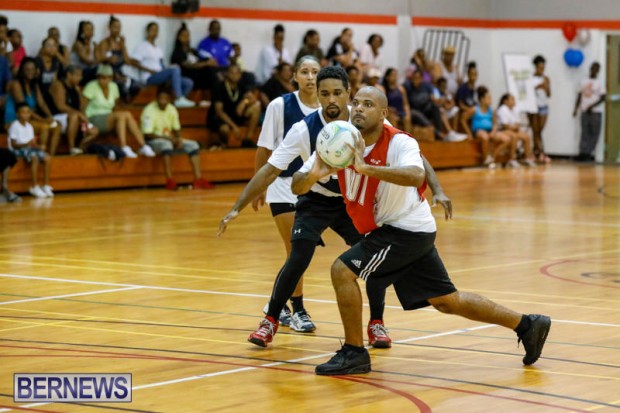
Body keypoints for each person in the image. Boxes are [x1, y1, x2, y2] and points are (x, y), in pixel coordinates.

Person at [289, 86, 551, 375]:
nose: (359, 108)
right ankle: (528, 324)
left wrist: (368, 169)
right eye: (356, 103)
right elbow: (297, 185)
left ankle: (354, 353)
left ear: (384, 113)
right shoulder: (340, 140)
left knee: (342, 270)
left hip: (404, 229)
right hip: (404, 229)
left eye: (368, 104)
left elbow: (416, 175)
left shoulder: (400, 142)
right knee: (447, 301)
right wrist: (313, 173)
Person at [217, 66, 452, 348]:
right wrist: (237, 206)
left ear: (348, 96)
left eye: (338, 94)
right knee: (299, 254)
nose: (332, 100)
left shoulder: (364, 119)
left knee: (372, 258)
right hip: (315, 199)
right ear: (316, 95)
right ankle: (270, 319)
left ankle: (376, 322)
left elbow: (413, 153)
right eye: (325, 93)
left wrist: (437, 189)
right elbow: (270, 169)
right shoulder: (304, 129)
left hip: (351, 201)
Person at [252, 55, 321, 328]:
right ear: (294, 76)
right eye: (304, 71)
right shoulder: (279, 105)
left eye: (315, 71)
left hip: (314, 188)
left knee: (300, 252)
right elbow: (264, 148)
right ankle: (299, 310)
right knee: (296, 249)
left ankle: (275, 305)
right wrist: (259, 186)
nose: (310, 77)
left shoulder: (330, 107)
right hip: (282, 185)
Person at [141, 86, 214, 191]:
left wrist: (178, 139)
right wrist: (169, 139)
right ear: (156, 98)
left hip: (170, 140)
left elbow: (176, 128)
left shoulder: (171, 108)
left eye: (165, 99)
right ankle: (169, 180)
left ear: (169, 99)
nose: (163, 101)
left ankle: (198, 179)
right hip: (153, 142)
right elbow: (147, 134)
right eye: (161, 99)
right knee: (166, 145)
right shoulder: (149, 110)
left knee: (193, 145)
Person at [82, 64, 155, 158]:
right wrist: (87, 126)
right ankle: (123, 146)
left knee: (126, 115)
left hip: (109, 117)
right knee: (122, 115)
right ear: (97, 77)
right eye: (101, 78)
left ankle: (143, 146)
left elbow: (115, 106)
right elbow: (82, 109)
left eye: (106, 78)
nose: (103, 80)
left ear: (111, 78)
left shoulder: (113, 86)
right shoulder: (91, 86)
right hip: (93, 118)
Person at [4, 57, 62, 156]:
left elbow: (42, 104)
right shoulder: (16, 84)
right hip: (16, 121)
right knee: (44, 127)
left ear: (36, 71)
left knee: (57, 126)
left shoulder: (34, 85)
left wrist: (50, 117)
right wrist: (43, 120)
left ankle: (51, 156)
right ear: (22, 71)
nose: (30, 72)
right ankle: (41, 155)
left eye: (32, 69)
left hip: (30, 120)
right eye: (27, 69)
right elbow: (24, 109)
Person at [133, 22, 195, 108]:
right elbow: (134, 62)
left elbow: (161, 64)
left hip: (159, 75)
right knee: (175, 68)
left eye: (156, 30)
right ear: (147, 31)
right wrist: (149, 70)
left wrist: (165, 72)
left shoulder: (158, 49)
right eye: (152, 30)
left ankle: (178, 102)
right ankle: (178, 98)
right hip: (149, 77)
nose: (154, 32)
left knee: (188, 82)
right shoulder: (142, 46)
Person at [207, 64, 261, 148]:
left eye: (237, 73)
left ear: (240, 75)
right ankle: (223, 145)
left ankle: (248, 140)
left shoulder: (241, 85)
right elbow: (219, 111)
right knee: (224, 129)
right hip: (221, 118)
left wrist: (244, 102)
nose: (235, 76)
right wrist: (234, 126)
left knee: (256, 108)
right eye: (232, 73)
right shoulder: (219, 86)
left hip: (235, 114)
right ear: (227, 74)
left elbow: (253, 99)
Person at [49, 65, 99, 155]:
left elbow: (81, 108)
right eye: (77, 75)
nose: (80, 78)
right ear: (69, 75)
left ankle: (79, 148)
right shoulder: (59, 85)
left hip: (74, 117)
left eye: (81, 76)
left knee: (94, 131)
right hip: (57, 118)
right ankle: (71, 148)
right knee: (74, 116)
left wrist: (79, 94)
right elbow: (60, 106)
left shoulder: (75, 88)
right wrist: (79, 114)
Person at [8, 103, 53, 198]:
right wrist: (27, 144)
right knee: (34, 157)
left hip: (28, 148)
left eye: (28, 112)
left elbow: (32, 144)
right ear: (17, 114)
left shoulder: (29, 126)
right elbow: (14, 145)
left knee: (47, 157)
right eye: (23, 112)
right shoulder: (14, 126)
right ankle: (34, 186)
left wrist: (39, 147)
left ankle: (45, 185)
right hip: (17, 150)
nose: (26, 114)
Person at [463, 86, 512, 168]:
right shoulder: (474, 109)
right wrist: (469, 133)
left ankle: (492, 156)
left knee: (507, 139)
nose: (490, 100)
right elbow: (463, 119)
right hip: (479, 131)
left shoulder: (491, 110)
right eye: (488, 98)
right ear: (482, 99)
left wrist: (493, 131)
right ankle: (486, 160)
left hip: (490, 131)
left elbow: (495, 123)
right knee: (485, 137)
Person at [97, 16, 140, 101]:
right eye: (115, 27)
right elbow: (100, 59)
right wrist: (109, 59)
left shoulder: (120, 44)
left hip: (120, 72)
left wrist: (123, 46)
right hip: (108, 72)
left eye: (119, 28)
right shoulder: (104, 43)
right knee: (120, 86)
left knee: (136, 86)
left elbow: (127, 61)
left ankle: (128, 104)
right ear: (109, 28)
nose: (117, 30)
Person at [170, 23, 217, 95]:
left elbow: (201, 60)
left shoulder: (193, 51)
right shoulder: (177, 52)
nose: (186, 38)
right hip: (186, 75)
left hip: (197, 76)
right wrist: (206, 63)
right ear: (178, 37)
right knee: (207, 70)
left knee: (211, 69)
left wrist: (210, 61)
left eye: (188, 35)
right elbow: (188, 65)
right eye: (184, 36)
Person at [573, 62, 606, 162]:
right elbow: (579, 95)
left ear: (598, 71)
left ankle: (589, 153)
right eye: (592, 68)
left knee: (594, 133)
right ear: (590, 69)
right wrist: (575, 108)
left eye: (596, 69)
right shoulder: (583, 81)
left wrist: (592, 106)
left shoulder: (600, 83)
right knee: (584, 133)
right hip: (584, 111)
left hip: (595, 112)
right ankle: (582, 153)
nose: (594, 70)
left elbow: (603, 97)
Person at [497, 93, 536, 167]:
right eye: (512, 99)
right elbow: (505, 126)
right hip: (503, 130)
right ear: (505, 101)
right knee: (514, 136)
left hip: (512, 130)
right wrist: (514, 127)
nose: (514, 101)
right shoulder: (502, 109)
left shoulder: (515, 109)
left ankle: (527, 158)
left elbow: (518, 124)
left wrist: (514, 127)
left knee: (526, 136)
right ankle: (512, 159)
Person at [529, 55, 551, 163]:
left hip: (543, 106)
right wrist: (537, 87)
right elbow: (528, 92)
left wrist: (546, 87)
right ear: (536, 67)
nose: (542, 69)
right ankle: (538, 152)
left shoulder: (546, 78)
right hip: (533, 107)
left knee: (539, 130)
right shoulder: (531, 78)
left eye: (543, 67)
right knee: (535, 130)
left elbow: (549, 94)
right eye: (540, 67)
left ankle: (537, 151)